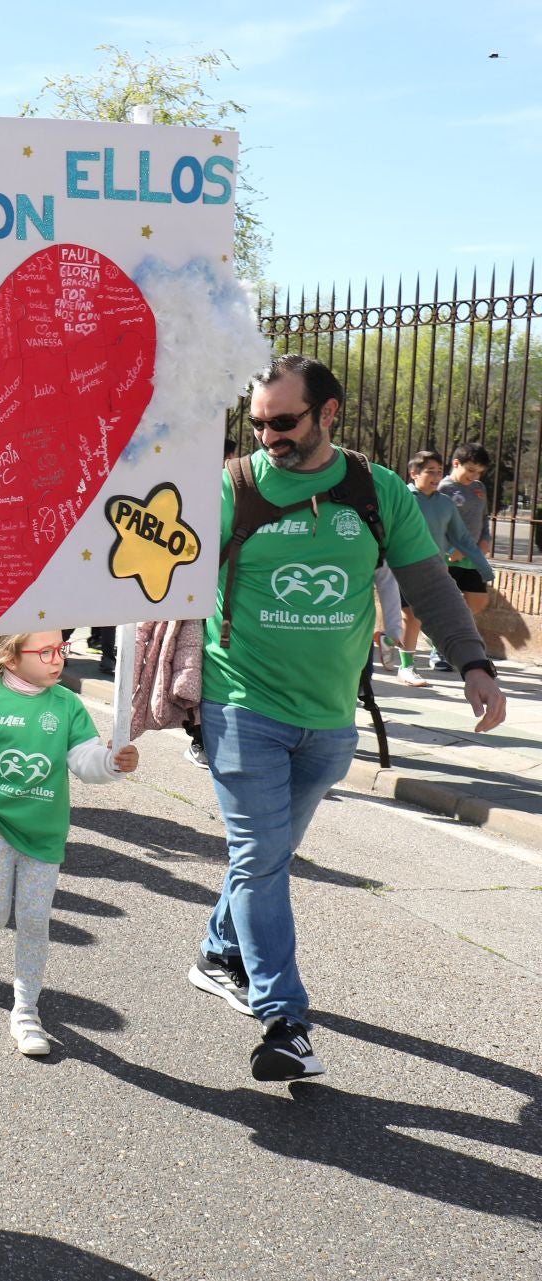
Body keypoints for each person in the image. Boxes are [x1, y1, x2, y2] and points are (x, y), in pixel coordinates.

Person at [189, 354, 506, 1081]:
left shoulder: (374, 488)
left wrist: (474, 664)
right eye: (259, 421)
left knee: (260, 858)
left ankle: (216, 950)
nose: (268, 434)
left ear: (328, 414)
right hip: (240, 705)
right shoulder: (232, 486)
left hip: (330, 719)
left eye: (284, 421)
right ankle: (284, 1020)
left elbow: (428, 580)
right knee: (262, 857)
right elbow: (155, 562)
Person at [0, 631, 138, 1057]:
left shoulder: (66, 704)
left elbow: (84, 760)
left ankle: (25, 1011)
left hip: (45, 832)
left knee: (34, 920)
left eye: (61, 650)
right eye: (45, 652)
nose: (57, 659)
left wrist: (112, 762)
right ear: (9, 656)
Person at [397, 450, 497, 687]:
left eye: (438, 472)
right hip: (401, 568)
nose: (435, 477)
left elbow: (461, 536)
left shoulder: (445, 504)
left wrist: (484, 568)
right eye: (430, 472)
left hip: (435, 571)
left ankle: (409, 645)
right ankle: (407, 666)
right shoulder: (402, 498)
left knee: (419, 617)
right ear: (413, 473)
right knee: (410, 616)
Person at [431, 440, 495, 671]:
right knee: (447, 604)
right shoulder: (442, 488)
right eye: (470, 470)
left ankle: (452, 639)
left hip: (473, 556)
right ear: (455, 463)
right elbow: (434, 522)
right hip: (448, 558)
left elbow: (484, 517)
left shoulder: (479, 488)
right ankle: (440, 650)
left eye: (479, 472)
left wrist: (486, 538)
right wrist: (449, 550)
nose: (474, 476)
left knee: (477, 602)